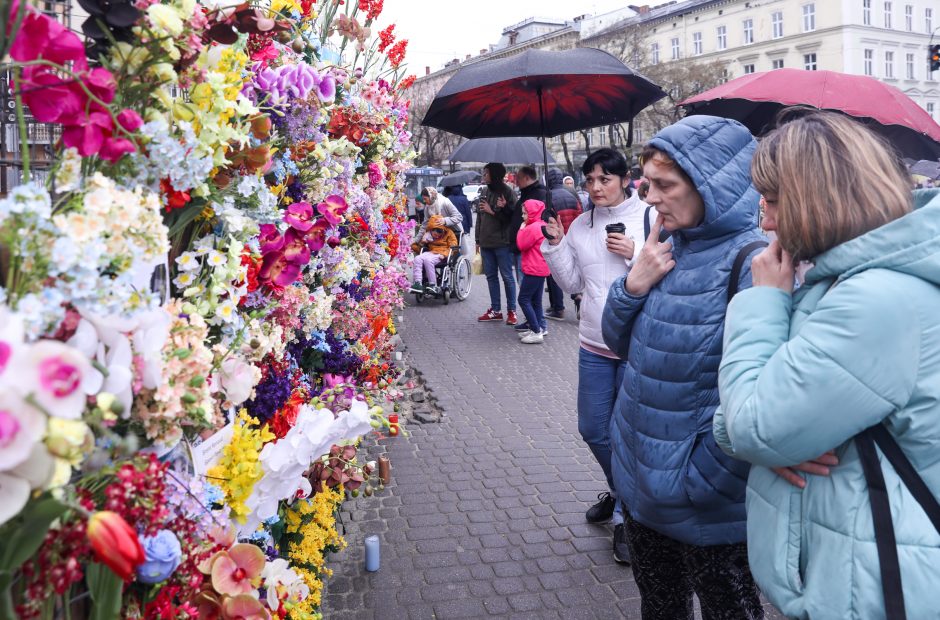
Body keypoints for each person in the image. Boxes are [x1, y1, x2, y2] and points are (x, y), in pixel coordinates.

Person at [714, 112, 940, 619]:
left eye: (773, 202)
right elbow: (745, 421)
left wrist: (762, 302)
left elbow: (753, 426)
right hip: (862, 563)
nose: (765, 221)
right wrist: (755, 427)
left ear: (821, 197)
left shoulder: (875, 299)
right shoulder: (843, 282)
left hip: (884, 584)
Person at [601, 115, 766, 619]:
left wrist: (704, 480)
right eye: (648, 183)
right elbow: (616, 341)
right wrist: (634, 284)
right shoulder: (663, 247)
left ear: (712, 185)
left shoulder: (752, 262)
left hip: (703, 500)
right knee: (661, 607)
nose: (649, 197)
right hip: (640, 481)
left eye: (665, 185)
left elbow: (760, 394)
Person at [542, 147, 651, 565]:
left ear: (625, 178)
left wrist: (634, 255)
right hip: (593, 344)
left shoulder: (649, 217)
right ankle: (624, 494)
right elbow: (573, 282)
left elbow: (668, 271)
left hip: (636, 345)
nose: (595, 187)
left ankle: (625, 516)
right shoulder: (582, 226)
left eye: (604, 179)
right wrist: (555, 245)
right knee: (593, 428)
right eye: (589, 180)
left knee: (627, 434)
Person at [476, 162, 519, 325]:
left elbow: (514, 218)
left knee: (507, 277)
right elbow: (480, 217)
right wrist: (477, 240)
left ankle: (512, 311)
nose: (483, 176)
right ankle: (496, 310)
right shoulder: (485, 191)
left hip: (503, 243)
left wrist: (493, 210)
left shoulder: (508, 192)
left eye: (486, 173)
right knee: (491, 277)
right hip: (486, 243)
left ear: (494, 174)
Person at [544, 168, 583, 321]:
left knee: (555, 273)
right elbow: (581, 216)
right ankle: (577, 295)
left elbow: (548, 220)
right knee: (573, 269)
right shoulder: (572, 195)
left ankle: (558, 308)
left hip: (558, 239)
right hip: (573, 237)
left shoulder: (548, 197)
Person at [515, 199, 551, 344]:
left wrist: (522, 228)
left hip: (533, 268)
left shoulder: (533, 227)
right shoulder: (542, 224)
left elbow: (521, 245)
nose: (523, 216)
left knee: (523, 299)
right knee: (536, 301)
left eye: (525, 213)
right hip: (541, 268)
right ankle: (539, 327)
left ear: (532, 213)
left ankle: (536, 331)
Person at [510, 166, 548, 298]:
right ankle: (534, 318)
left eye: (518, 178)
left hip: (528, 248)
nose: (516, 181)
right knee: (527, 290)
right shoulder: (526, 194)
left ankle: (534, 318)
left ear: (527, 178)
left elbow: (542, 222)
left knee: (526, 295)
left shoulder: (539, 194)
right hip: (521, 246)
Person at [409, 215, 458, 295]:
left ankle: (433, 285)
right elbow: (418, 248)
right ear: (431, 229)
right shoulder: (428, 234)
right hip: (431, 252)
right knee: (417, 258)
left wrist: (445, 254)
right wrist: (422, 243)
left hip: (442, 253)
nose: (437, 235)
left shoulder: (449, 233)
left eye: (439, 233)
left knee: (428, 261)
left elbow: (453, 247)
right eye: (435, 234)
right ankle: (417, 283)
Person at [442, 185, 473, 255]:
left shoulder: (447, 199)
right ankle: (460, 256)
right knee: (462, 242)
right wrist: (470, 225)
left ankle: (453, 256)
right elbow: (468, 213)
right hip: (463, 223)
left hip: (451, 224)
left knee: (452, 241)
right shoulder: (464, 199)